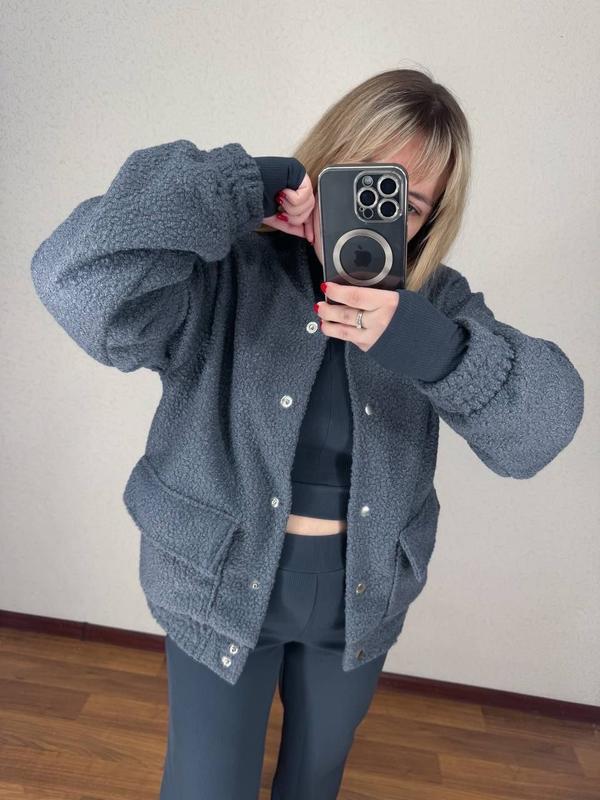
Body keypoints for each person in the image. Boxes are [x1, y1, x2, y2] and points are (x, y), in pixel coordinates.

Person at [30, 68, 584, 800]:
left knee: (314, 782)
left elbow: (543, 429)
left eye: (405, 204)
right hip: (216, 582)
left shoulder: (436, 306)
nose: (375, 217)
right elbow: (74, 279)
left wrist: (434, 348)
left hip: (359, 596)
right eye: (361, 184)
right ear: (323, 167)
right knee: (205, 786)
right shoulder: (229, 273)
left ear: (428, 222)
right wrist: (236, 191)